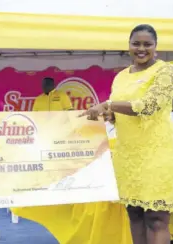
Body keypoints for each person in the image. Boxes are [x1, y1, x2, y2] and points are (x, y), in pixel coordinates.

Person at [80, 24, 173, 244]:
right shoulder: (121, 76)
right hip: (127, 157)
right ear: (129, 46)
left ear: (156, 47)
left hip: (155, 156)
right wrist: (108, 115)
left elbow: (150, 106)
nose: (141, 49)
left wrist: (107, 104)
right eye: (136, 44)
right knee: (135, 214)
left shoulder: (165, 71)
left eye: (147, 44)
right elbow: (119, 114)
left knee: (156, 218)